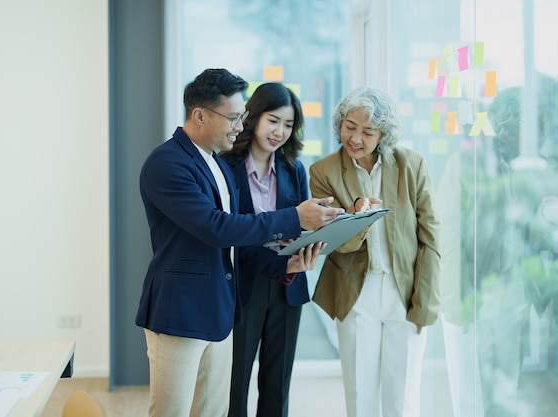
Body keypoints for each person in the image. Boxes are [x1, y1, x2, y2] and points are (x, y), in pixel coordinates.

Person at [136, 68, 344, 417]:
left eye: (242, 116)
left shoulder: (215, 163)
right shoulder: (167, 163)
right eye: (233, 117)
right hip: (180, 312)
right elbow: (216, 228)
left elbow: (232, 243)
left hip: (220, 309)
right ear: (199, 115)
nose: (239, 125)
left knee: (215, 410)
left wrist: (285, 263)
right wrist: (295, 217)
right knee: (170, 411)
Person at [309, 86, 440, 417]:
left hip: (404, 291)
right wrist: (358, 217)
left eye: (368, 131)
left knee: (403, 397)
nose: (355, 137)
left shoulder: (412, 164)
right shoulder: (322, 172)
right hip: (356, 291)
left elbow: (431, 238)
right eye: (349, 126)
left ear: (383, 135)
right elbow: (335, 243)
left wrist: (424, 303)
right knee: (360, 396)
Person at [437, 86, 549, 417]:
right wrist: (456, 305)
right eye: (534, 127)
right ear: (509, 127)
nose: (540, 135)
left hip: (515, 296)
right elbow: (448, 237)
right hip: (472, 295)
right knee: (471, 398)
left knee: (507, 393)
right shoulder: (466, 165)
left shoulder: (528, 168)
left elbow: (530, 228)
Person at [219, 82, 313, 417]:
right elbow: (230, 234)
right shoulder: (225, 168)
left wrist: (310, 242)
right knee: (235, 380)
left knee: (277, 386)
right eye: (274, 120)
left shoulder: (293, 169)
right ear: (254, 117)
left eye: (288, 125)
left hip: (288, 287)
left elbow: (301, 224)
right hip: (244, 284)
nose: (280, 132)